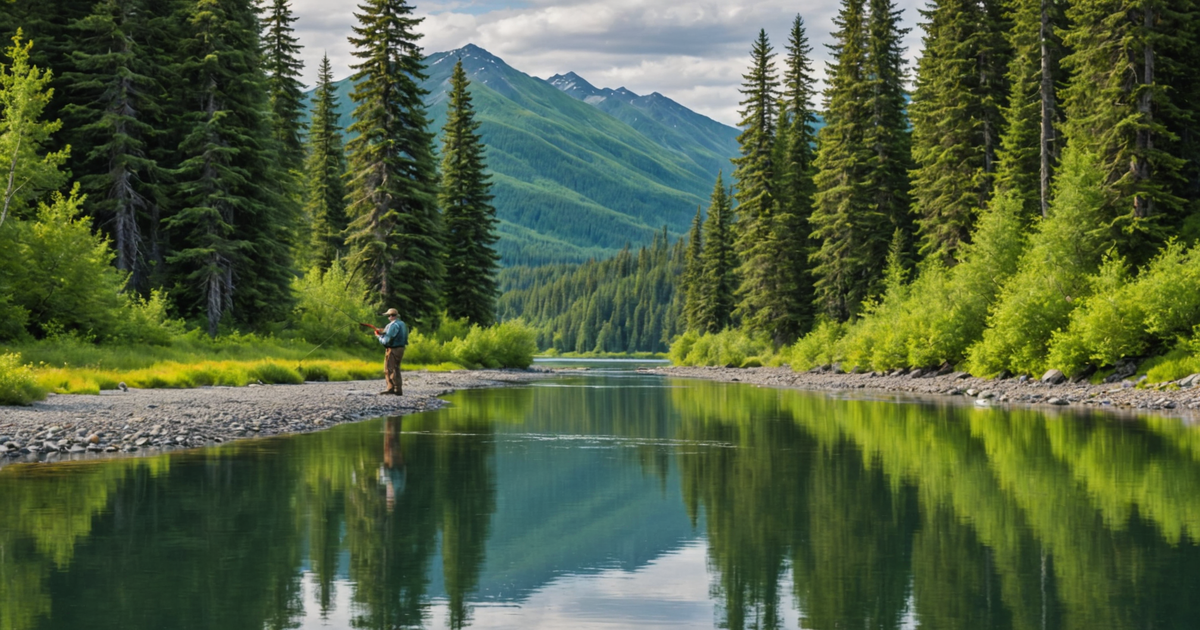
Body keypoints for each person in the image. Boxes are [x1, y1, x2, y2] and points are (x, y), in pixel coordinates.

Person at [375, 308, 408, 395]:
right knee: (396, 368)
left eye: (390, 315)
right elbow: (394, 334)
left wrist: (379, 337)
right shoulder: (402, 324)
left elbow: (387, 340)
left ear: (393, 316)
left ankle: (391, 388)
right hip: (401, 348)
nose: (389, 317)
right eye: (388, 315)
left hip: (393, 349)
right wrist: (383, 332)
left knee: (389, 368)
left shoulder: (393, 325)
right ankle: (398, 389)